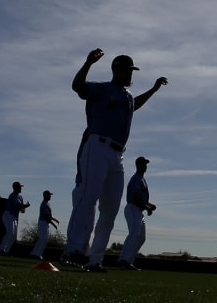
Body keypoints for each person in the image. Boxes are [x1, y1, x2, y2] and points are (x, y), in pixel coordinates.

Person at [62, 49, 167, 272]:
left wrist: (154, 89)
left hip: (118, 154)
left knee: (110, 209)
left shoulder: (127, 97)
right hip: (97, 146)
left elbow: (134, 105)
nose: (130, 74)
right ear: (115, 70)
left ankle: (95, 259)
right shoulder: (102, 89)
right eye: (126, 70)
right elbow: (77, 87)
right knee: (88, 196)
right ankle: (74, 248)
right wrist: (88, 63)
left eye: (131, 70)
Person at [119, 156, 156, 270]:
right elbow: (136, 197)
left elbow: (141, 198)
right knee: (134, 233)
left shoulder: (142, 179)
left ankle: (129, 260)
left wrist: (149, 205)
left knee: (141, 237)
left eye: (145, 164)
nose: (145, 166)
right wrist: (147, 207)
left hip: (138, 210)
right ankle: (124, 259)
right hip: (132, 208)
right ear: (137, 165)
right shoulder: (136, 179)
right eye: (142, 164)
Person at [0, 181, 30, 255]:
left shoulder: (20, 196)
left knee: (14, 235)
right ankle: (1, 249)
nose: (21, 188)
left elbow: (21, 208)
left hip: (14, 217)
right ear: (15, 187)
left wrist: (23, 208)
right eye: (19, 187)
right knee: (10, 232)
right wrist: (26, 206)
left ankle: (5, 251)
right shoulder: (13, 195)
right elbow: (19, 206)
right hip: (8, 215)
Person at [30, 190, 60, 260]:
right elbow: (47, 217)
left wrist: (54, 220)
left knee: (44, 239)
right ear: (45, 196)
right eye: (49, 195)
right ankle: (35, 253)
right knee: (43, 238)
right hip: (43, 222)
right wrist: (53, 224)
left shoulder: (47, 204)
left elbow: (49, 216)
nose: (50, 196)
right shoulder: (44, 204)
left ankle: (38, 254)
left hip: (45, 222)